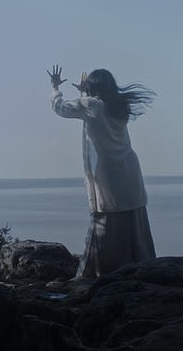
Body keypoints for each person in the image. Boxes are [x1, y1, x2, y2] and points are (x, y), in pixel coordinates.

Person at [47, 65, 157, 278]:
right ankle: (141, 272)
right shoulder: (119, 106)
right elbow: (93, 112)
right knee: (134, 224)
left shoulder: (92, 105)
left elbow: (60, 107)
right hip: (129, 170)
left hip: (107, 173)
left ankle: (99, 274)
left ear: (92, 87)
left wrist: (54, 88)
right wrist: (84, 93)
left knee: (105, 223)